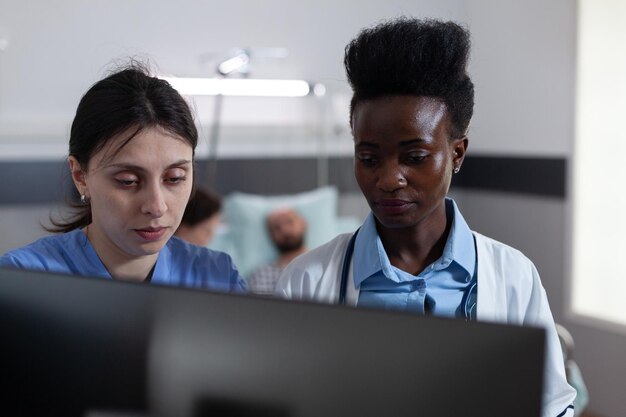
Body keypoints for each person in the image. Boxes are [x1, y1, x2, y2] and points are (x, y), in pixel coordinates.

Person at [275, 18, 576, 417]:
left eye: (414, 157)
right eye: (368, 158)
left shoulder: (514, 276)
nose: (388, 179)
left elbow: (552, 407)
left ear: (457, 153)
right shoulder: (307, 281)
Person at [0, 63, 246, 293]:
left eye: (174, 178)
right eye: (128, 181)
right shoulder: (20, 281)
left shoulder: (218, 278)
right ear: (80, 175)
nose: (156, 207)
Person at [247, 207, 307, 295]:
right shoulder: (262, 275)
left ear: (303, 224)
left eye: (289, 222)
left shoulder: (326, 265)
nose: (284, 230)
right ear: (271, 236)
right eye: (277, 227)